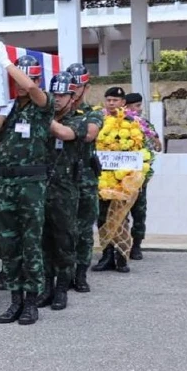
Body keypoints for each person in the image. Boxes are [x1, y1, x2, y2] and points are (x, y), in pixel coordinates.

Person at [0, 43, 52, 326]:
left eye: (28, 78)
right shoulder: (6, 108)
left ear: (37, 80)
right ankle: (15, 300)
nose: (22, 85)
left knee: (30, 243)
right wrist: (2, 113)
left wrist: (6, 63)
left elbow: (33, 90)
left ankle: (31, 301)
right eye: (18, 80)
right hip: (4, 184)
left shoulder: (42, 106)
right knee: (8, 244)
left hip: (31, 184)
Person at [40, 73, 88, 312]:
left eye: (62, 95)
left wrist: (41, 115)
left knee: (64, 239)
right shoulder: (43, 116)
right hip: (41, 186)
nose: (57, 99)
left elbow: (65, 134)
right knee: (43, 239)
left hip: (65, 189)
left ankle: (62, 288)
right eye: (54, 94)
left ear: (72, 97)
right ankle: (46, 286)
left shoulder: (78, 119)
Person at [67, 64, 104, 293]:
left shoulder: (93, 113)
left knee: (83, 230)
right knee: (62, 229)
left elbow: (90, 134)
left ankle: (80, 273)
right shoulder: (57, 112)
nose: (73, 90)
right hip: (62, 179)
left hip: (85, 179)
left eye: (78, 86)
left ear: (86, 87)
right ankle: (63, 273)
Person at [95, 86, 130, 272]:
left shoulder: (132, 121)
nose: (111, 103)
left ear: (123, 102)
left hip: (123, 179)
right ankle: (107, 255)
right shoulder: (98, 120)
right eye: (108, 100)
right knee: (102, 217)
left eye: (115, 100)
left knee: (121, 217)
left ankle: (122, 256)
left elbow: (140, 148)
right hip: (102, 177)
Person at [124, 92, 160, 262]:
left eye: (140, 105)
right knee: (118, 212)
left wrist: (151, 137)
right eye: (137, 106)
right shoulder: (114, 123)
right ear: (126, 106)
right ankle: (119, 246)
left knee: (139, 211)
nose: (139, 109)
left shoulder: (144, 124)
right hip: (118, 177)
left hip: (139, 175)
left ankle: (136, 245)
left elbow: (158, 146)